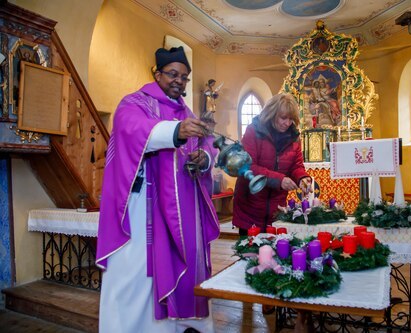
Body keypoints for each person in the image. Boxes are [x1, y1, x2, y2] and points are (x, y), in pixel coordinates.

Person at [96, 46, 220, 333]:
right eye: (173, 74)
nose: (179, 81)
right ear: (157, 74)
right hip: (144, 209)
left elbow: (206, 146)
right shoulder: (134, 103)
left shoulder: (187, 111)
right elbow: (131, 129)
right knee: (138, 275)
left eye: (184, 77)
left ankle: (180, 324)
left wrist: (204, 159)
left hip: (181, 208)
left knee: (186, 263)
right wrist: (175, 132)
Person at [232, 93, 312, 234]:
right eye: (283, 118)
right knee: (250, 254)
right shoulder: (253, 131)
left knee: (274, 254)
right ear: (272, 113)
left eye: (291, 119)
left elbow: (296, 166)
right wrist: (279, 180)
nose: (287, 123)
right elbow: (248, 167)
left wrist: (302, 178)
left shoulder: (293, 137)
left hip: (276, 209)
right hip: (250, 206)